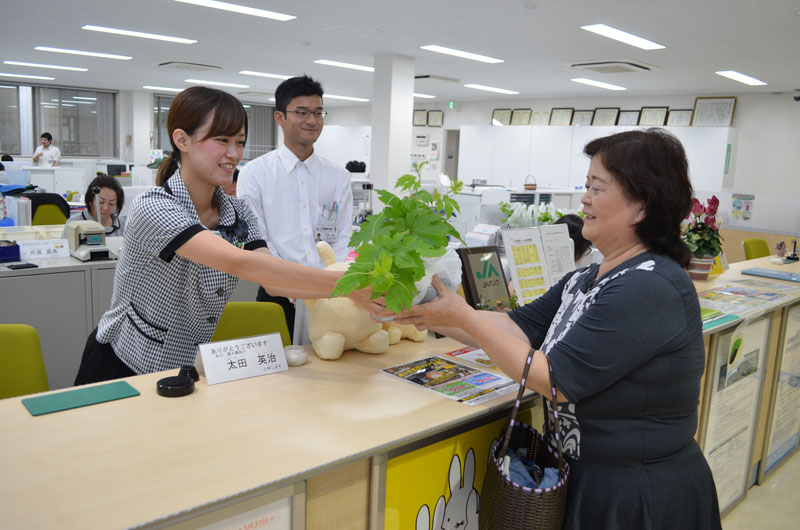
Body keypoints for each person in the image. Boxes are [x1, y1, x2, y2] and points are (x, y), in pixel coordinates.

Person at [394, 129, 722, 529]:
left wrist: (462, 317)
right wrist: (433, 306)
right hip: (587, 478)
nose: (584, 198)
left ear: (641, 206)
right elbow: (518, 326)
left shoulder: (650, 287)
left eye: (597, 188)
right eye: (586, 185)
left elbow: (552, 378)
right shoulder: (590, 277)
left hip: (636, 495)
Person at [74, 86, 378, 386]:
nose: (233, 154)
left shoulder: (237, 212)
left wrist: (355, 289)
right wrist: (348, 286)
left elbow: (273, 282)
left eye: (240, 142)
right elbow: (239, 263)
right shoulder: (155, 205)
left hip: (181, 367)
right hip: (121, 363)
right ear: (182, 140)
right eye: (221, 140)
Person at [237, 75, 353, 341]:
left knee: (331, 370)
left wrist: (330, 284)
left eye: (317, 112)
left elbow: (342, 237)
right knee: (275, 375)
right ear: (280, 117)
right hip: (277, 295)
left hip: (329, 296)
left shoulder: (338, 176)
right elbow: (258, 238)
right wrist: (289, 283)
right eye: (302, 112)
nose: (312, 121)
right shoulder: (255, 174)